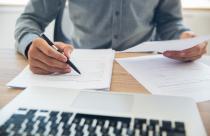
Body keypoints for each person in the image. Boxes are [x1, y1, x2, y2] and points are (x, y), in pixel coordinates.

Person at [15, 0, 208, 75]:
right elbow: (30, 19)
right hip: (81, 69)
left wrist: (184, 38)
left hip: (146, 70)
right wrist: (31, 44)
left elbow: (170, 22)